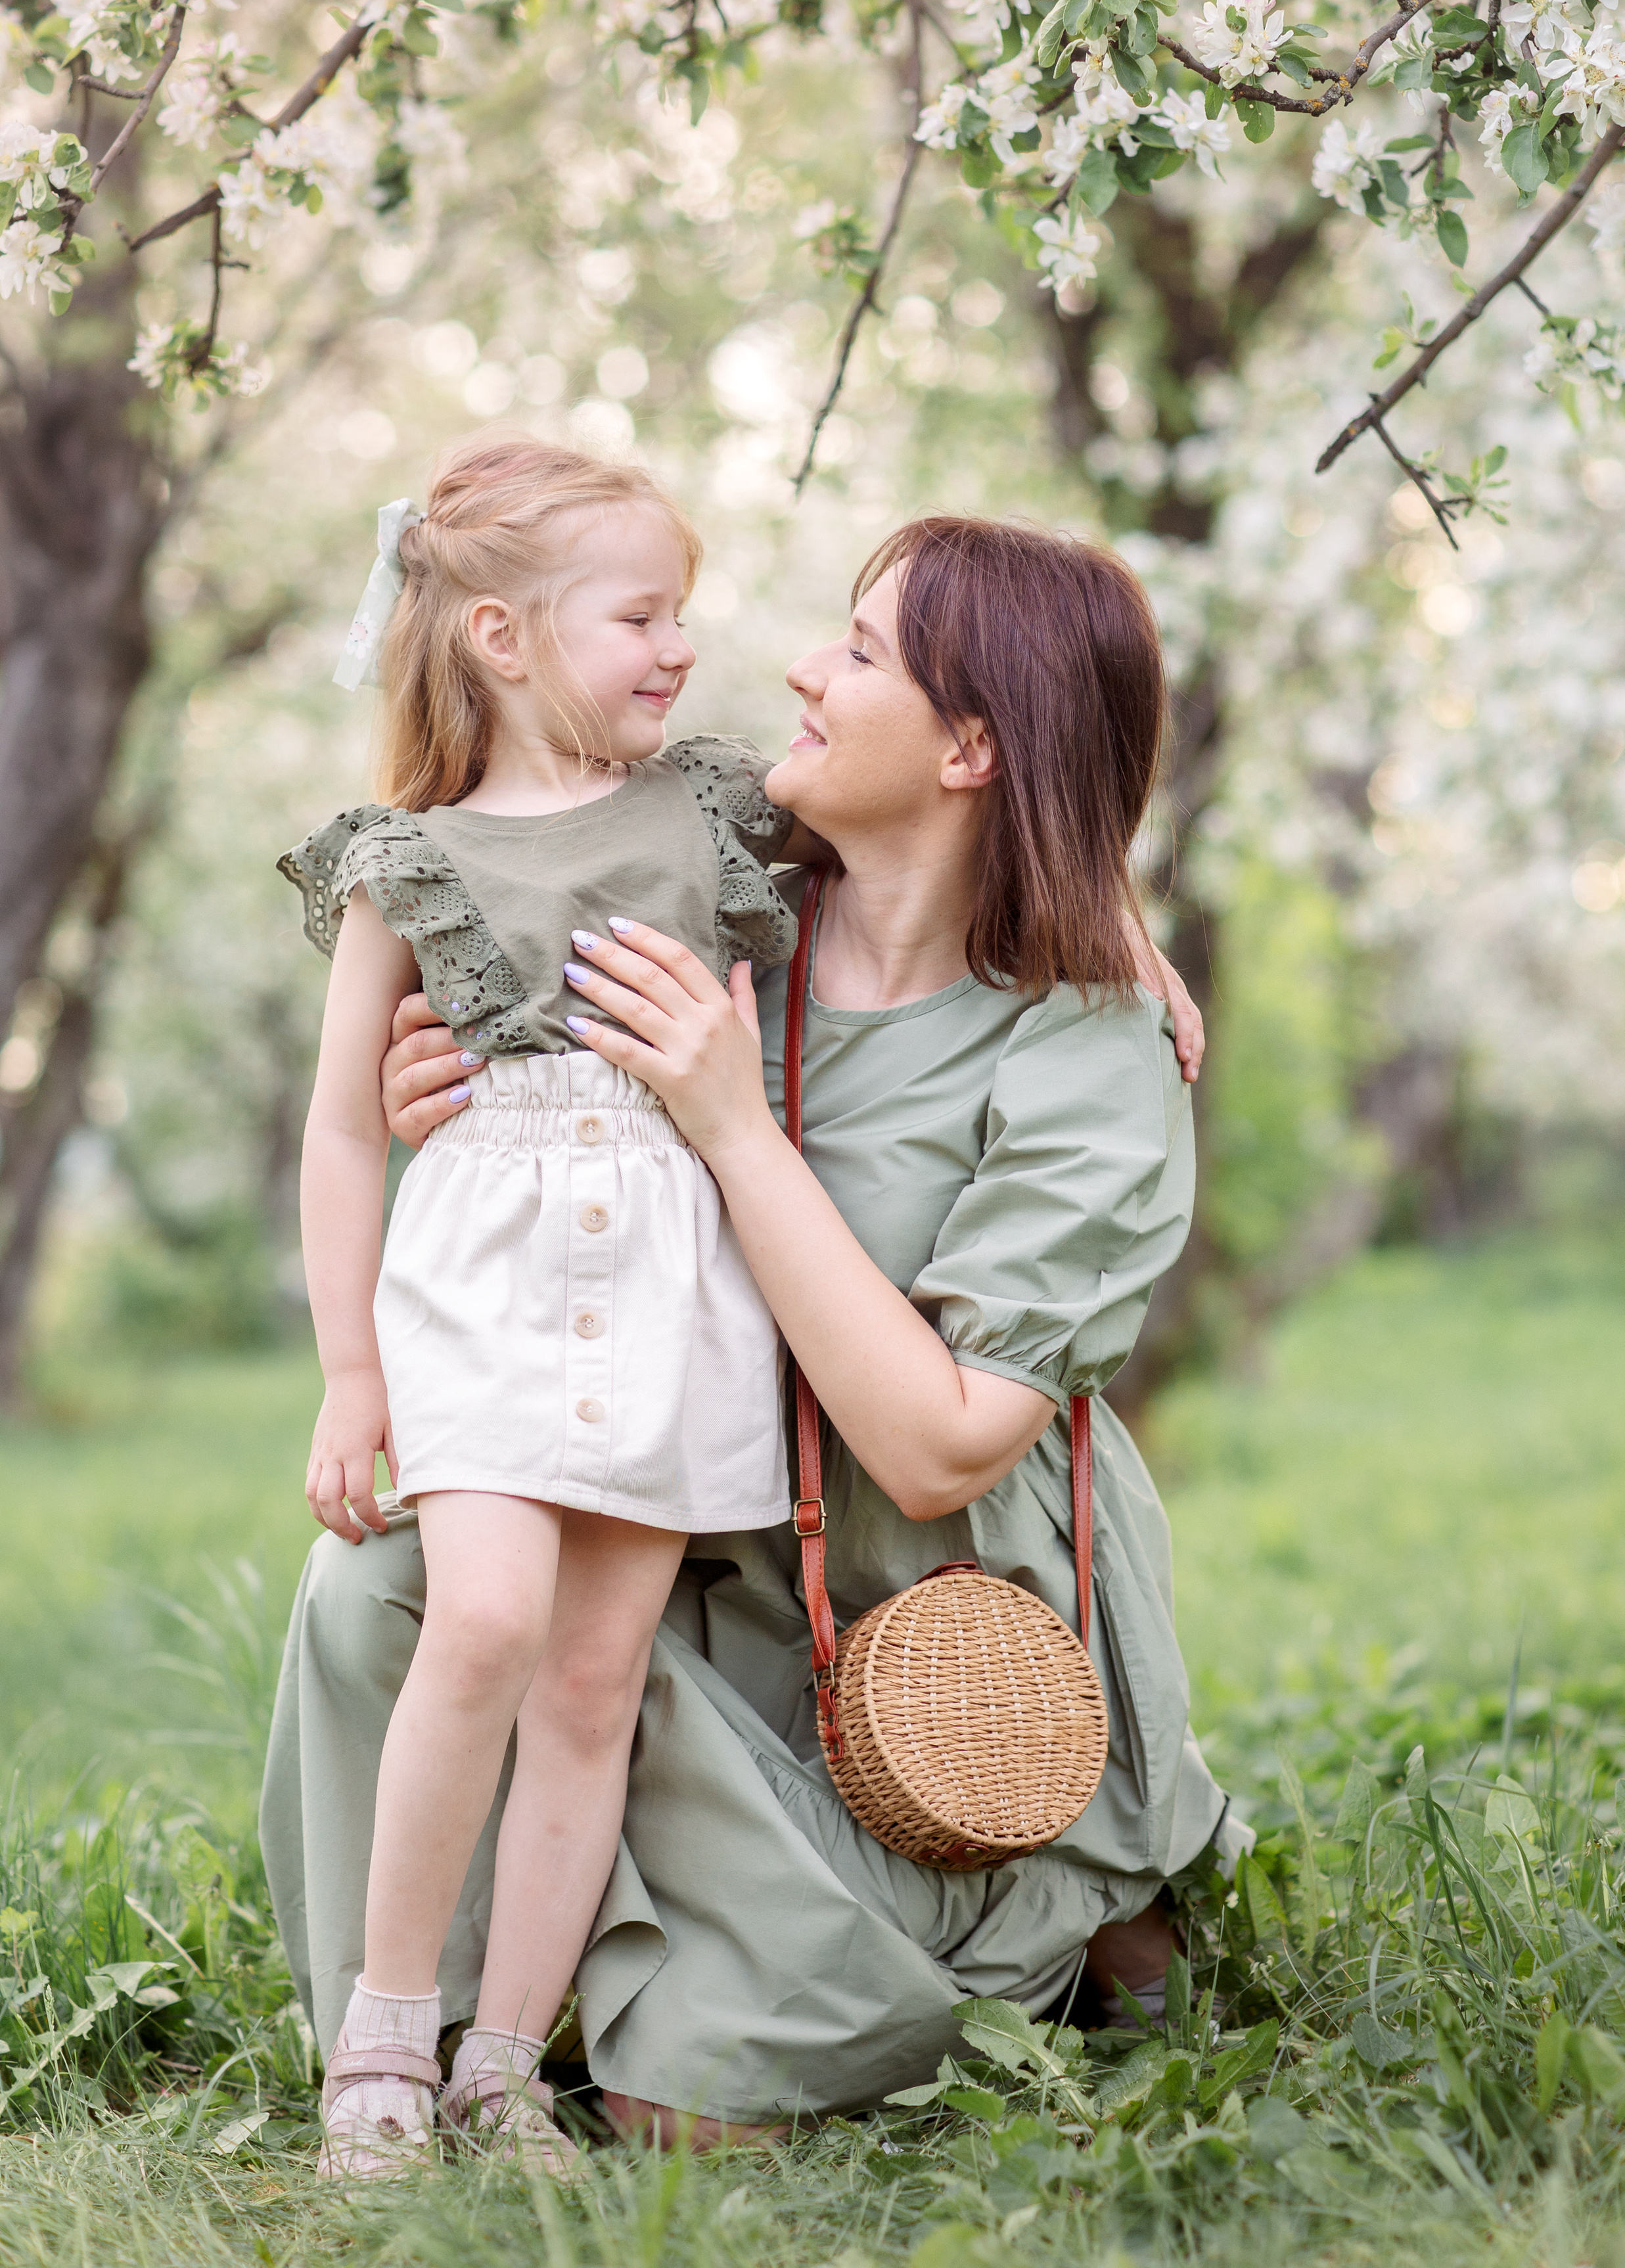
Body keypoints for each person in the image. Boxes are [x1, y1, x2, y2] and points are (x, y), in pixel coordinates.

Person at [260, 507, 1237, 2151]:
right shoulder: (729, 896)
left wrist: (733, 1127)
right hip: (692, 1526)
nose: (795, 662)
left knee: (682, 2119)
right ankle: (409, 2021)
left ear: (973, 746)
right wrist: (426, 1089)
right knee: (386, 1576)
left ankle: (1067, 1906)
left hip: (901, 1621)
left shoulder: (1084, 1054)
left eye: (858, 654)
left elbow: (933, 1451)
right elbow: (507, 992)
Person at [277, 434, 812, 2177]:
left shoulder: (716, 807)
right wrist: (350, 1373)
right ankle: (382, 2043)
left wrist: (1126, 928)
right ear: (502, 638)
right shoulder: (406, 860)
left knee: (591, 1682)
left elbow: (945, 835)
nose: (679, 648)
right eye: (640, 615)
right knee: (487, 1619)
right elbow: (347, 1129)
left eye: (685, 617)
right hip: (488, 1291)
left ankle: (507, 2065)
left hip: (668, 1296)